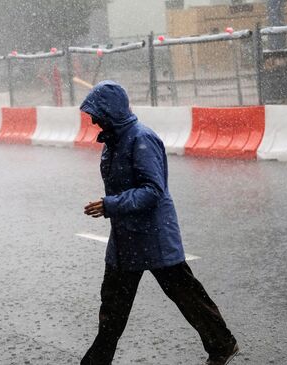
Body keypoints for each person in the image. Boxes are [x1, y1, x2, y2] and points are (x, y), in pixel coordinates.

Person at [80, 81, 238, 365]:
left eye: (97, 113)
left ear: (112, 111)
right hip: (125, 239)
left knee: (187, 297)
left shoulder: (142, 138)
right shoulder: (113, 141)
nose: (93, 120)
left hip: (154, 238)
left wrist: (110, 205)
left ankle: (222, 344)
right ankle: (96, 361)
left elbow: (153, 190)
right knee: (113, 306)